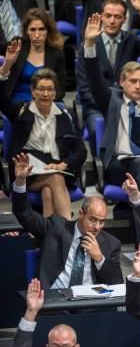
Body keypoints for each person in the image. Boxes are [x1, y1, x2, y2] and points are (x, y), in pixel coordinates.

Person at [83, 14, 140, 194]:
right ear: (121, 82)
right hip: (119, 164)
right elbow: (94, 78)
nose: (138, 86)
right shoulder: (111, 99)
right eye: (133, 81)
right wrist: (89, 44)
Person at [0, 41, 86, 219]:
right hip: (27, 171)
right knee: (55, 179)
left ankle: (50, 241)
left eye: (49, 90)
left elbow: (81, 151)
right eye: (41, 89)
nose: (45, 94)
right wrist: (7, 65)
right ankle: (69, 233)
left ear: (55, 93)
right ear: (33, 92)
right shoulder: (21, 111)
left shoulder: (63, 115)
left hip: (56, 170)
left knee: (48, 193)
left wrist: (63, 164)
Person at [12, 152, 123, 289]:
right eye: (93, 220)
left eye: (102, 222)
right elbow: (23, 213)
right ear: (81, 213)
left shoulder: (112, 244)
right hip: (56, 300)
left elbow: (118, 285)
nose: (97, 227)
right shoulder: (55, 227)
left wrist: (99, 259)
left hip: (89, 304)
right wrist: (20, 182)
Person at [76, 0, 140, 155]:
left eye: (117, 16)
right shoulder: (88, 45)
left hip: (129, 101)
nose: (112, 20)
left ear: (124, 19)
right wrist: (108, 105)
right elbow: (85, 88)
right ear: (101, 17)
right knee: (96, 126)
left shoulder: (132, 39)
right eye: (108, 15)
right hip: (98, 106)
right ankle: (99, 167)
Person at [5, 7, 66, 102]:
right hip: (15, 103)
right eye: (33, 30)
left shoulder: (56, 54)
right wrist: (7, 63)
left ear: (48, 31)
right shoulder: (17, 46)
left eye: (41, 29)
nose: (37, 35)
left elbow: (60, 90)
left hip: (44, 104)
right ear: (26, 31)